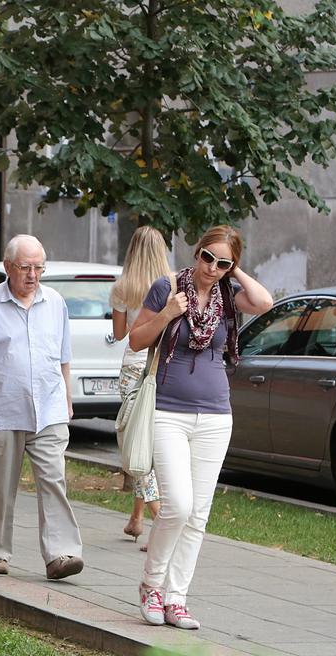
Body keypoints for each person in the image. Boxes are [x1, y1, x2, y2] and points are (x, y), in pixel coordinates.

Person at [128, 225, 272, 629]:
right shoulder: (167, 286)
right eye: (208, 257)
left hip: (215, 415)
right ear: (198, 252)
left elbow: (264, 302)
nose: (212, 267)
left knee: (199, 515)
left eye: (222, 262)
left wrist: (236, 271)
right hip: (168, 411)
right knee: (178, 507)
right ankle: (151, 586)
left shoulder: (229, 295)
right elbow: (136, 340)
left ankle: (177, 598)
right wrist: (168, 314)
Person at [0, 234, 84, 581]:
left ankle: (61, 554)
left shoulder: (55, 303)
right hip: (2, 410)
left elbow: (64, 357)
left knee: (54, 480)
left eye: (39, 267)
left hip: (49, 411)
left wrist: (66, 397)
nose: (33, 275)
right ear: (9, 267)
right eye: (26, 267)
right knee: (0, 487)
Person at [109, 225, 169, 550]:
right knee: (152, 442)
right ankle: (136, 518)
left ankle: (161, 521)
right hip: (164, 369)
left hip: (134, 371)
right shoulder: (172, 286)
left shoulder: (123, 288)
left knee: (137, 442)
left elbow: (121, 335)